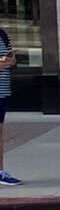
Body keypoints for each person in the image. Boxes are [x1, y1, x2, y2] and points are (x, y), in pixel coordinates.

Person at [0, 23, 17, 185]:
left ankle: (0, 171)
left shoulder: (2, 34)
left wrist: (10, 60)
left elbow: (12, 57)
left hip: (2, 90)